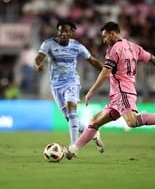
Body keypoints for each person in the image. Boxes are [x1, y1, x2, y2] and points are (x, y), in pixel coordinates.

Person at [63, 21, 155, 159]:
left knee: (132, 122)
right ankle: (71, 150)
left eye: (105, 36)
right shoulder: (133, 47)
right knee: (94, 121)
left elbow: (105, 72)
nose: (104, 40)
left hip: (123, 92)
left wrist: (91, 91)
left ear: (113, 34)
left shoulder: (114, 49)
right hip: (119, 95)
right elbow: (149, 56)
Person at [34, 19, 104, 152]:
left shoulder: (77, 46)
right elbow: (39, 57)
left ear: (72, 32)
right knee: (70, 117)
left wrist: (106, 71)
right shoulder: (48, 44)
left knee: (71, 108)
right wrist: (38, 65)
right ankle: (93, 133)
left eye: (66, 31)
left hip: (72, 82)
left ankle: (73, 146)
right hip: (55, 85)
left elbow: (92, 60)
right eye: (61, 31)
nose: (63, 34)